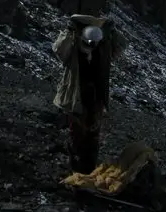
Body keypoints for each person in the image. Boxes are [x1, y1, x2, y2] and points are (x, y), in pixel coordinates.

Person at [52, 14, 127, 174]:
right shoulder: (71, 48)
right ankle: (76, 171)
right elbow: (58, 49)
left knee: (93, 136)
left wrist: (113, 31)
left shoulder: (103, 49)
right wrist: (68, 31)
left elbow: (122, 45)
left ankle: (88, 171)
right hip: (76, 96)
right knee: (77, 135)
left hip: (95, 99)